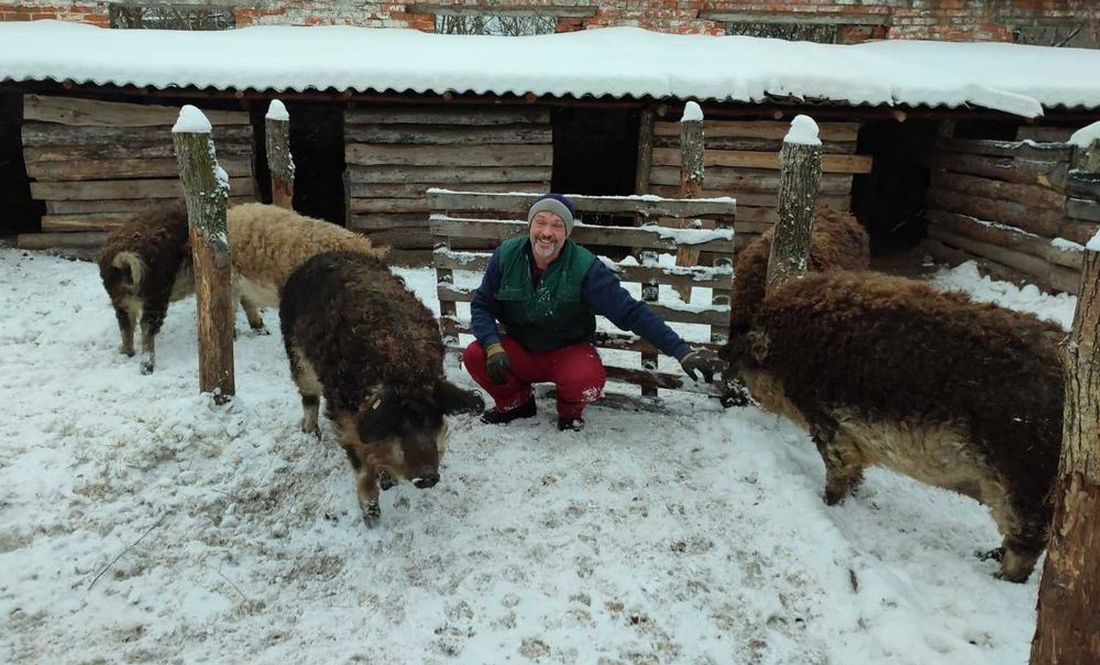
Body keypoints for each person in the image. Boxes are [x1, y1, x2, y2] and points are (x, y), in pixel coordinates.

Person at [463, 193, 723, 432]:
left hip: (566, 352)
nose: (546, 232)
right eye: (540, 222)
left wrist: (680, 350)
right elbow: (482, 305)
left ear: (567, 232)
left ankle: (569, 414)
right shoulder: (506, 257)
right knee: (476, 354)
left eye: (557, 225)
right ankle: (516, 404)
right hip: (520, 351)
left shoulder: (585, 268)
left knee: (587, 379)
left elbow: (630, 312)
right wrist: (492, 345)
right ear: (530, 226)